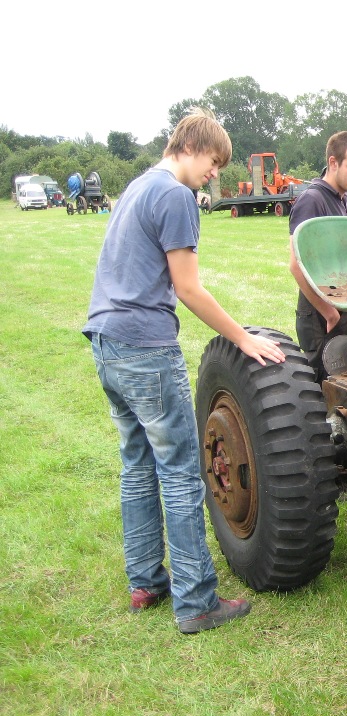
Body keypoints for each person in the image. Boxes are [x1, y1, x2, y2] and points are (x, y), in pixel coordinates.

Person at [83, 108, 286, 634]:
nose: (215, 173)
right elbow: (188, 288)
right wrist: (242, 337)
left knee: (136, 466)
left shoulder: (136, 187)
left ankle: (146, 582)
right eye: (213, 162)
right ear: (191, 147)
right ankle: (196, 602)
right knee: (178, 473)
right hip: (145, 348)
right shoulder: (174, 195)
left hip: (105, 343)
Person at [288, 131, 347, 381]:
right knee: (323, 383)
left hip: (344, 302)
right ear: (333, 163)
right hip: (320, 313)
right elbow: (296, 265)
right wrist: (329, 313)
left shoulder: (345, 200)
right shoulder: (312, 201)